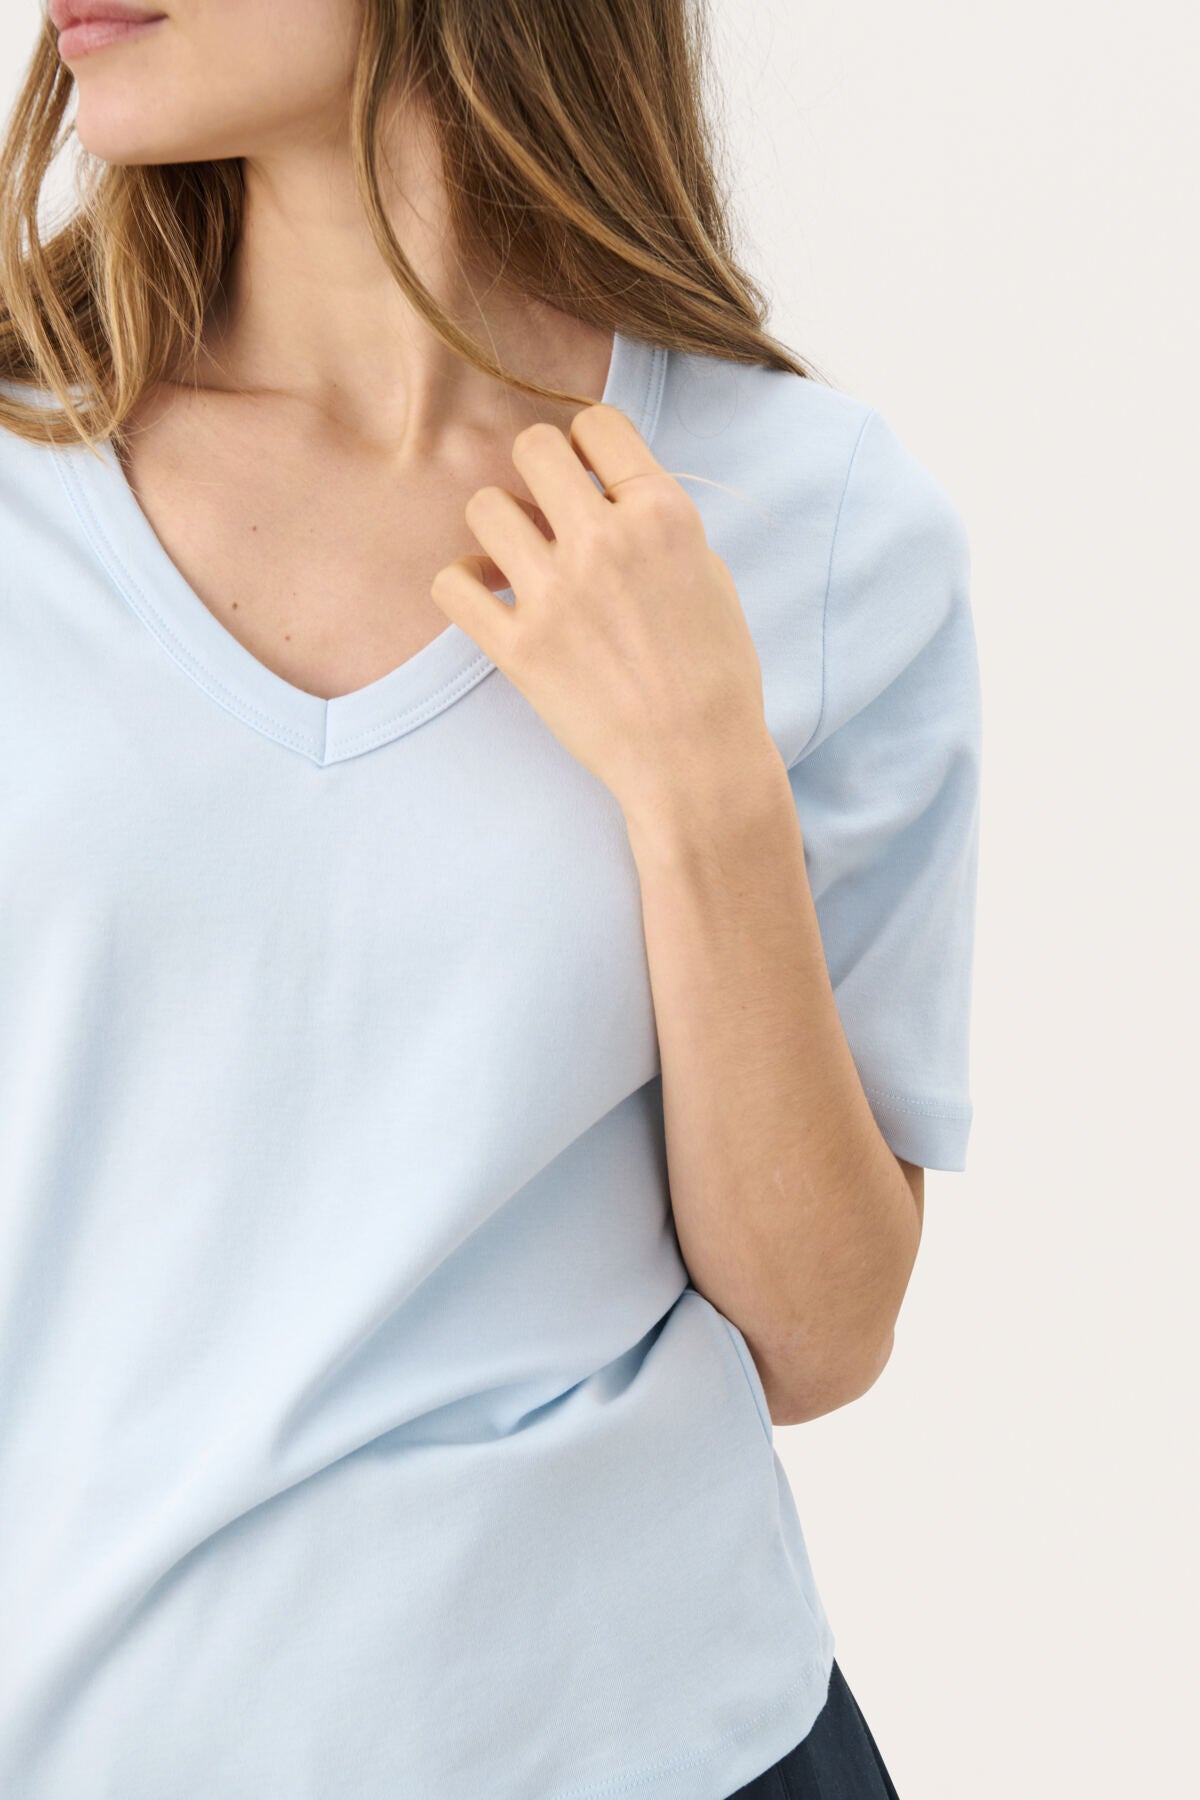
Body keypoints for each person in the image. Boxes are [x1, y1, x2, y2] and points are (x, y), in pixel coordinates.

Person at [0, 3, 981, 1796]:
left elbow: (822, 1334)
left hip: (674, 1751)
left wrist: (703, 784)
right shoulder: (26, 473)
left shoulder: (808, 518)